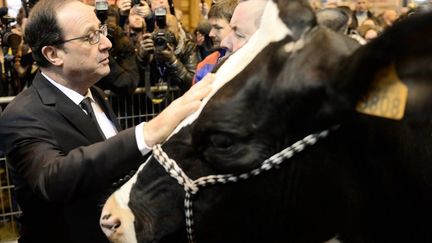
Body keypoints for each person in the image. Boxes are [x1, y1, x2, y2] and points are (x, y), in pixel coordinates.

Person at [0, 1, 213, 243]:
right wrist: (147, 133)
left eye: (102, 31)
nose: (107, 44)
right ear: (53, 54)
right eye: (91, 37)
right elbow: (52, 178)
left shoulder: (95, 94)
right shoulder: (21, 114)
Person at [193, 0, 238, 84]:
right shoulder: (205, 65)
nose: (211, 34)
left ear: (236, 27)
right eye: (211, 28)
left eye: (218, 28)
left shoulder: (253, 61)